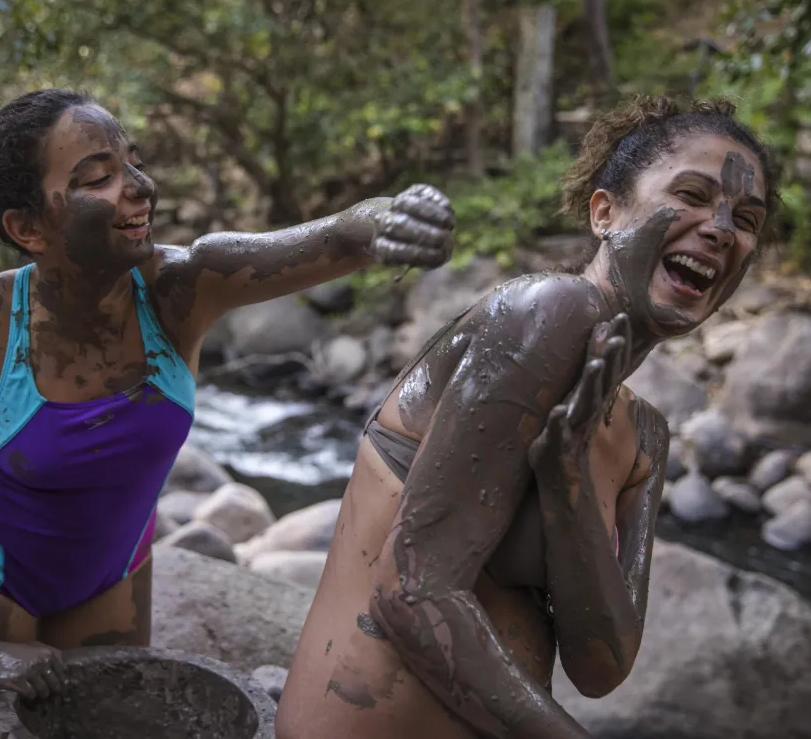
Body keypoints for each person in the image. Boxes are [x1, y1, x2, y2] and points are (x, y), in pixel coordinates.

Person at [0, 88, 456, 739]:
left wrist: (394, 219)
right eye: (98, 177)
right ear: (27, 228)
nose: (138, 189)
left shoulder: (183, 289)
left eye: (133, 163)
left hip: (111, 582)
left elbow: (338, 235)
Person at [276, 96, 779, 739]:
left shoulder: (644, 436)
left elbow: (604, 666)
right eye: (692, 194)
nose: (721, 228)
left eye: (747, 218)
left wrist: (565, 480)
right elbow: (411, 594)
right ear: (606, 212)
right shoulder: (545, 312)